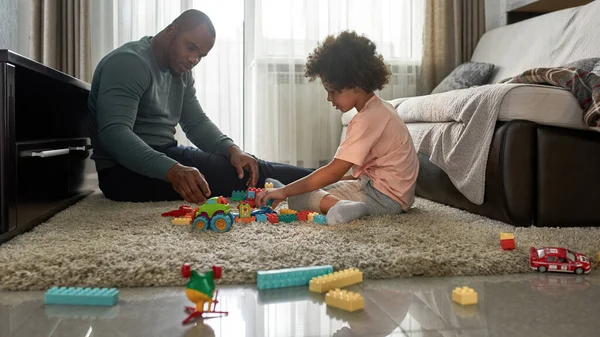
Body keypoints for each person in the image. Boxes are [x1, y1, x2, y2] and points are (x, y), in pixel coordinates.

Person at [88, 9, 314, 204]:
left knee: (244, 165)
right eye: (191, 47)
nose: (193, 59)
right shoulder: (129, 63)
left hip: (165, 153)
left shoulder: (181, 71)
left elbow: (195, 123)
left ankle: (325, 178)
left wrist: (232, 149)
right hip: (121, 173)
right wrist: (172, 170)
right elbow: (114, 134)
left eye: (201, 56)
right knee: (240, 177)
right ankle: (325, 179)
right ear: (171, 32)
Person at [256, 30, 419, 224]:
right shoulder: (382, 108)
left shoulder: (367, 119)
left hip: (385, 199)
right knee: (318, 187)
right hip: (391, 193)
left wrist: (286, 191)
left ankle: (337, 206)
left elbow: (334, 170)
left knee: (300, 197)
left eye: (332, 91)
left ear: (356, 84)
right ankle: (294, 191)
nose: (329, 98)